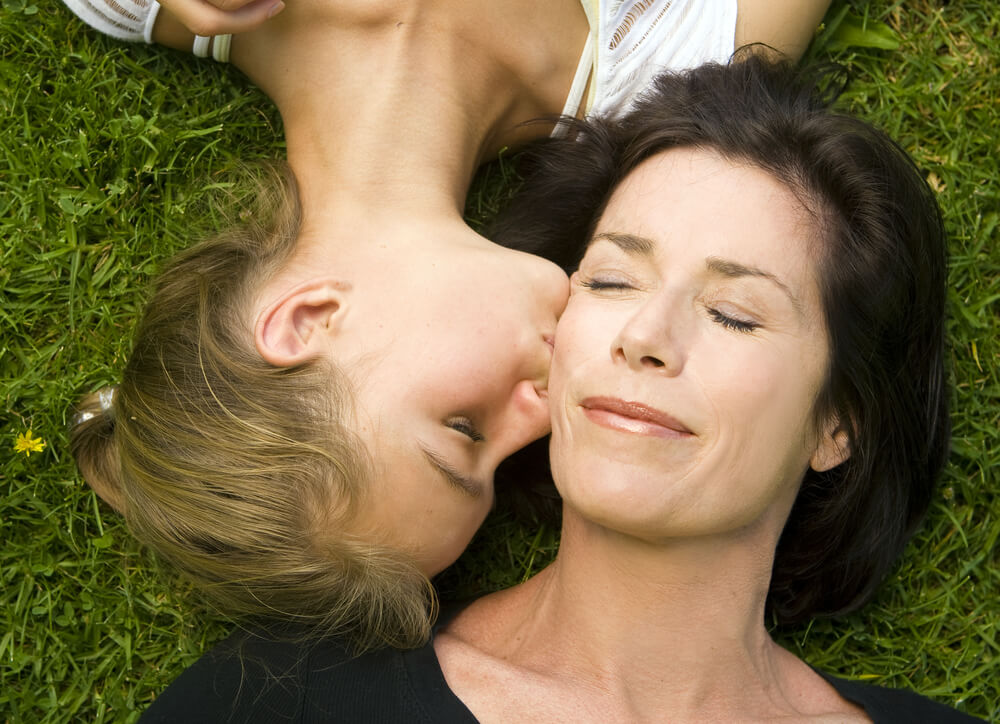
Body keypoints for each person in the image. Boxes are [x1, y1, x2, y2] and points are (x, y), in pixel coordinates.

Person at [137, 57, 979, 723]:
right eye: (610, 283)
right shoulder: (281, 703)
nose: (644, 338)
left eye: (732, 314)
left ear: (838, 422)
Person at [64, 0, 831, 649]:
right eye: (500, 467)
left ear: (308, 320)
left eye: (463, 429)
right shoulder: (688, 68)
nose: (543, 416)